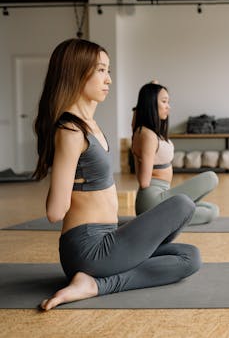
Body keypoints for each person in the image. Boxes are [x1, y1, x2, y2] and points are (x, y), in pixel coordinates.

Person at [33, 39, 201, 311]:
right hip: (90, 249)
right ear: (76, 72)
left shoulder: (90, 125)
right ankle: (96, 284)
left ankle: (95, 281)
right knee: (182, 204)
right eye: (100, 70)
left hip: (110, 240)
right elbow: (55, 211)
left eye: (108, 70)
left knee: (189, 257)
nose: (108, 79)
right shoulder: (70, 131)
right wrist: (69, 185)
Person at [131, 82, 219, 224]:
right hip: (152, 201)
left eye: (168, 102)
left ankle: (167, 219)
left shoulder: (147, 131)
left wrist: (154, 86)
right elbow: (143, 182)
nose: (168, 106)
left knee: (212, 210)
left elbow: (135, 121)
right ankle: (163, 218)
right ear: (151, 103)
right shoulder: (147, 135)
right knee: (211, 177)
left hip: (162, 196)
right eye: (164, 101)